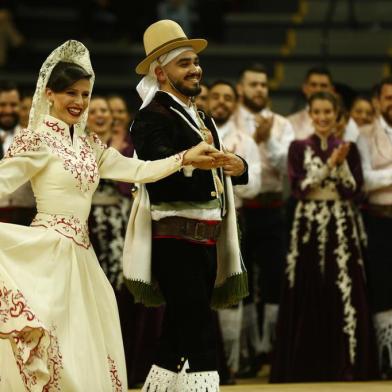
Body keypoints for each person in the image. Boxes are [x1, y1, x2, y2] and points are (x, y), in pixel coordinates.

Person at [0, 39, 220, 391]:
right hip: (47, 251)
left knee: (85, 340)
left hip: (82, 255)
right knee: (54, 341)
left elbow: (137, 170)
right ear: (50, 96)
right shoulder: (35, 140)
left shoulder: (88, 142)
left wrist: (184, 158)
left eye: (85, 94)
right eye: (71, 93)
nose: (80, 102)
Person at [124, 20, 249, 390]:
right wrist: (195, 161)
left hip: (205, 236)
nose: (196, 69)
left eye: (195, 61)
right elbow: (156, 168)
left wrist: (239, 167)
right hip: (174, 236)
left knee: (179, 329)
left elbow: (219, 165)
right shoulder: (150, 117)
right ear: (161, 73)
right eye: (184, 63)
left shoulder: (202, 115)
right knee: (198, 329)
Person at [271, 91, 378, 382]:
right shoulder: (297, 147)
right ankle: (306, 364)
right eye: (316, 112)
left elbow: (353, 191)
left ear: (337, 115)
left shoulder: (349, 148)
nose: (322, 118)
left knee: (343, 286)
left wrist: (341, 163)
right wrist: (330, 164)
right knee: (307, 285)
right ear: (309, 114)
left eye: (327, 112)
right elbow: (299, 188)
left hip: (341, 223)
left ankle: (347, 363)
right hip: (307, 225)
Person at [232, 63, 294, 375]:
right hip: (240, 210)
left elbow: (288, 167)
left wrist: (267, 141)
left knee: (273, 278)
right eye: (253, 84)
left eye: (263, 85)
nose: (259, 90)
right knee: (241, 279)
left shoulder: (281, 124)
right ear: (241, 88)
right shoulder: (229, 121)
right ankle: (243, 353)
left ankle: (270, 349)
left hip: (271, 207)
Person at [208, 79, 261, 380]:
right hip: (200, 218)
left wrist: (237, 170)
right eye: (216, 96)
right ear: (207, 99)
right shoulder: (196, 132)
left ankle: (231, 362)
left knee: (230, 288)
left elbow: (256, 184)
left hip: (233, 218)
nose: (222, 102)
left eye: (228, 98)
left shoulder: (245, 139)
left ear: (235, 102)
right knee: (204, 287)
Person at [357, 76, 392, 379]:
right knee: (383, 285)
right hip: (380, 217)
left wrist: (386, 175)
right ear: (379, 101)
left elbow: (377, 176)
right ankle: (387, 356)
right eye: (389, 97)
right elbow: (365, 180)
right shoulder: (365, 135)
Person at [0, 80, 35, 225]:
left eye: (13, 105)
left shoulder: (33, 138)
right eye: (2, 105)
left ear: (21, 106)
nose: (8, 110)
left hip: (26, 218)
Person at [288, 66, 334, 140]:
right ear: (304, 88)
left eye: (323, 86)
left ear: (332, 90)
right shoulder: (290, 123)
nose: (318, 89)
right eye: (313, 85)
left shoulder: (342, 123)